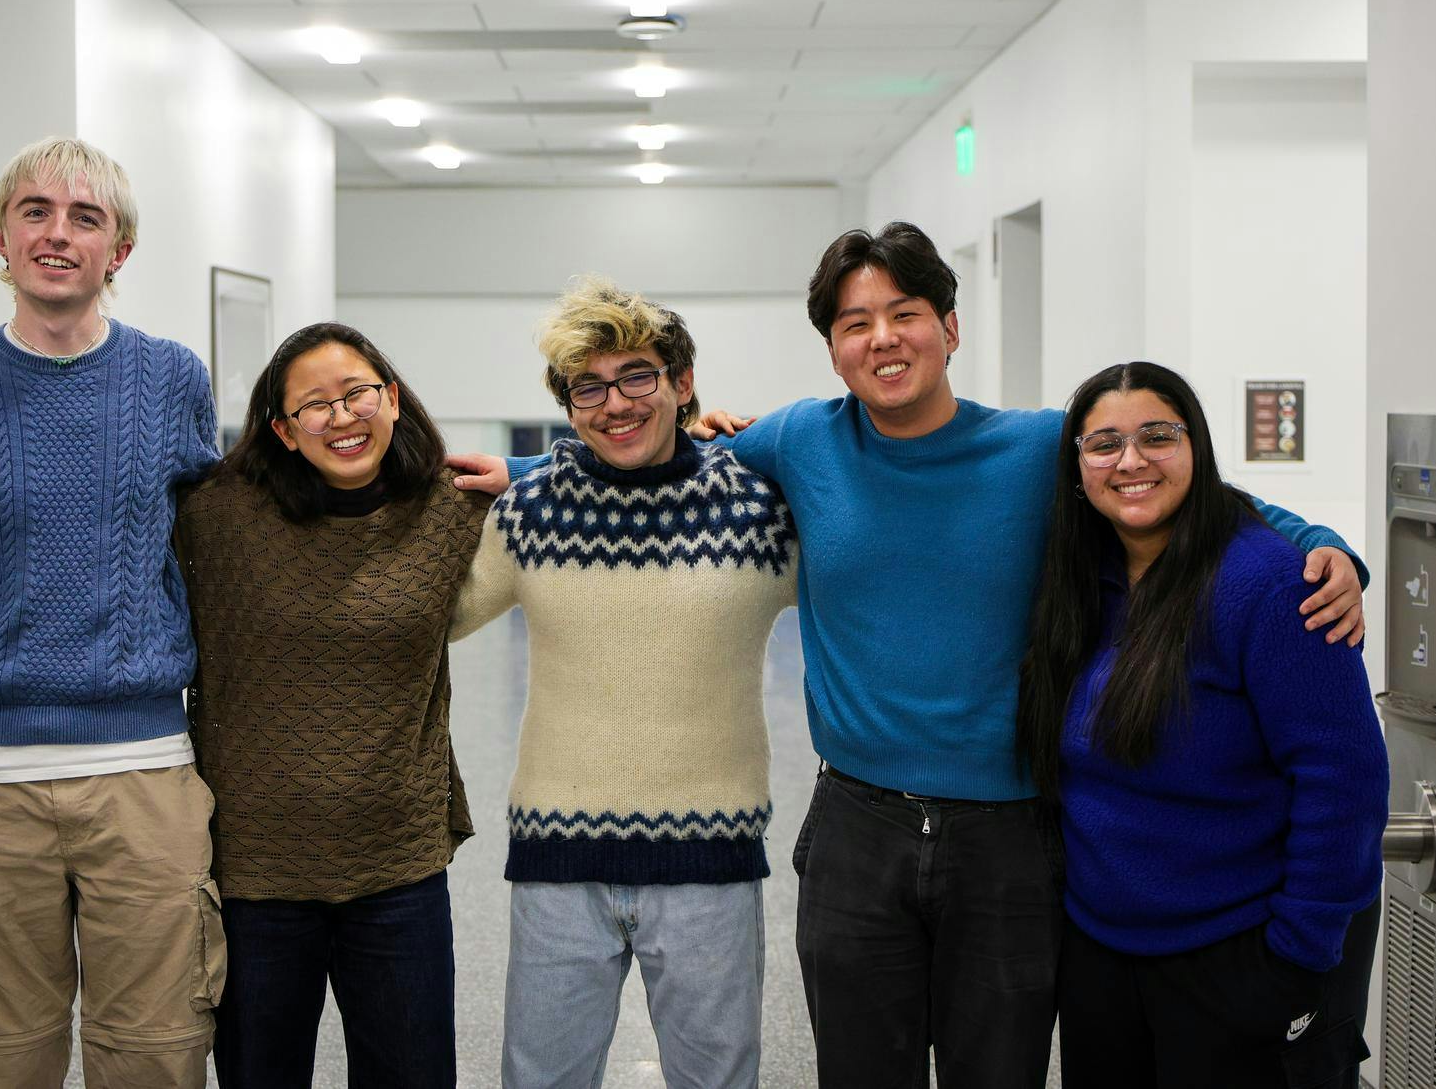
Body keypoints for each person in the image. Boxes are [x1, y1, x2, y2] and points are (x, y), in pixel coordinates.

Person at [467, 221, 1367, 1088]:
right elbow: (650, 455)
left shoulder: (1033, 448)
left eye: (903, 313)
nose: (882, 338)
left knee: (998, 1070)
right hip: (859, 826)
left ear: (950, 327)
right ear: (832, 349)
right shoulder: (800, 439)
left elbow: (1174, 489)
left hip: (1010, 835)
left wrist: (1326, 542)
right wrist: (525, 473)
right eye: (854, 323)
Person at [0, 138, 224, 1087]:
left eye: (86, 217)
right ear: (2, 234)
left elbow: (218, 532)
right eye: (35, 211)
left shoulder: (171, 378)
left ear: (120, 250)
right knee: (3, 1057)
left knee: (155, 1054)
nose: (57, 233)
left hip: (143, 771)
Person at [448, 277, 796, 1089]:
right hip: (557, 865)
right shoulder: (529, 508)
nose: (615, 403)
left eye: (638, 376)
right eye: (589, 387)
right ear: (569, 405)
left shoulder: (760, 507)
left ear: (681, 384)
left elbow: (857, 582)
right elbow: (437, 618)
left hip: (712, 864)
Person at [1020, 362, 1387, 1087]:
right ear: (1077, 467)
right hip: (1102, 955)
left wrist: (1297, 956)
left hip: (1238, 956)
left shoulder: (1271, 585)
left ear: (1197, 446)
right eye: (1104, 443)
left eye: (1157, 435)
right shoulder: (1080, 579)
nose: (1131, 460)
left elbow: (1344, 777)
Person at [176, 322, 490, 1089]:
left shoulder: (451, 507)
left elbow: (602, 474)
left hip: (399, 863)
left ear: (391, 396)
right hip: (255, 868)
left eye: (357, 393)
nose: (342, 416)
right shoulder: (217, 516)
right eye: (314, 405)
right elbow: (100, 501)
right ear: (281, 430)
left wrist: (706, 434)